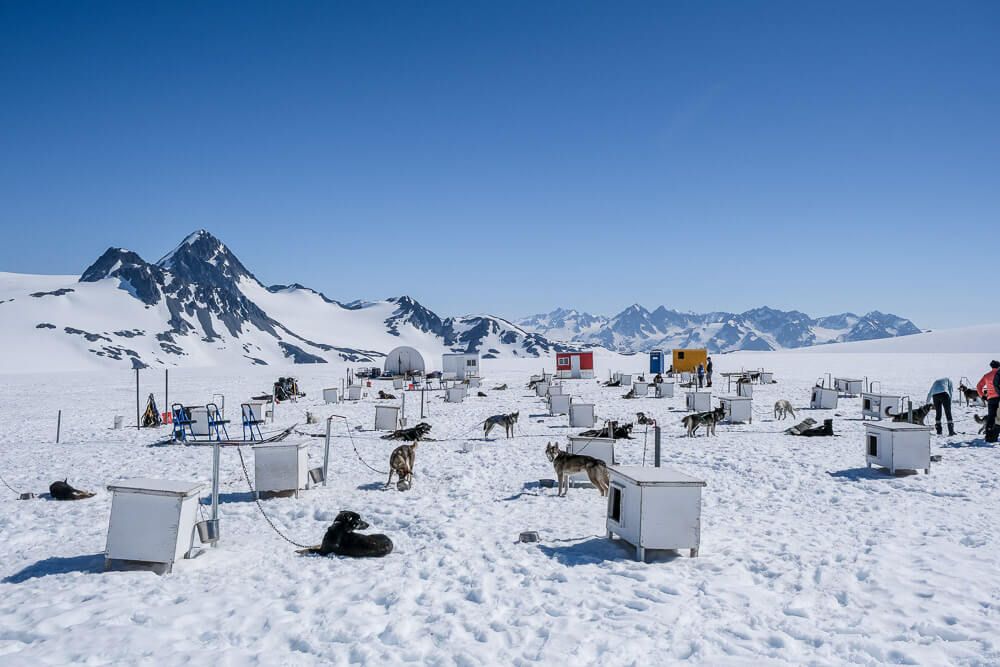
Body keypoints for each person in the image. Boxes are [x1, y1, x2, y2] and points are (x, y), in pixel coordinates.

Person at [976, 361, 1000, 442]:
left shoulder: (986, 375)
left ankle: (989, 436)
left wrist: (983, 396)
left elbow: (978, 386)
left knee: (991, 417)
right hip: (999, 398)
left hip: (990, 399)